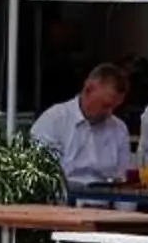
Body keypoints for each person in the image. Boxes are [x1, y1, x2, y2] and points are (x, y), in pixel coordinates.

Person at [32, 62, 135, 190]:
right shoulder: (54, 120)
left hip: (106, 204)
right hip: (65, 204)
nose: (109, 113)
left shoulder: (118, 128)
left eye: (114, 107)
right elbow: (42, 176)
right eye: (105, 105)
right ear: (88, 89)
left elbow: (124, 181)